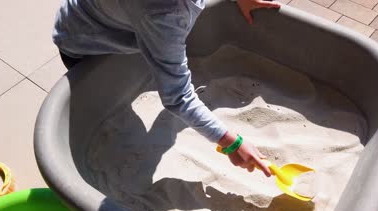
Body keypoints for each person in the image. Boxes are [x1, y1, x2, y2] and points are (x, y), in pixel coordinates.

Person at [53, 0, 280, 177]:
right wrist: (232, 142)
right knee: (115, 126)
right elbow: (178, 97)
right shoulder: (165, 14)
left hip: (103, 17)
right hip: (88, 44)